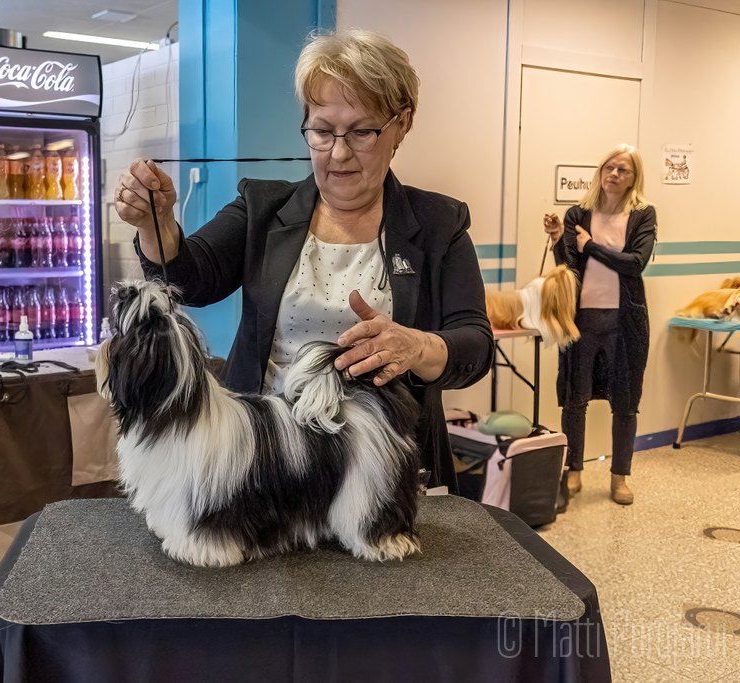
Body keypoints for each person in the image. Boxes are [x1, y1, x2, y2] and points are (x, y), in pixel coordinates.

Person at [113, 28, 493, 491]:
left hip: (382, 472)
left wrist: (415, 346)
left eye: (362, 132)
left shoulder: (439, 224)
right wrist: (155, 223)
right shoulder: (262, 209)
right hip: (261, 467)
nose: (339, 153)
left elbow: (475, 347)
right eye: (322, 132)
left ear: (402, 125)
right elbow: (191, 281)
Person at [543, 144, 656, 505]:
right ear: (600, 171)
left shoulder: (643, 215)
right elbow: (569, 267)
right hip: (582, 322)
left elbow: (634, 263)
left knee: (625, 402)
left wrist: (591, 246)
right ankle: (573, 470)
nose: (614, 174)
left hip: (625, 324)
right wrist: (559, 239)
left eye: (623, 170)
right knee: (574, 400)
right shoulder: (579, 214)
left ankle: (619, 477)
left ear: (634, 178)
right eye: (609, 167)